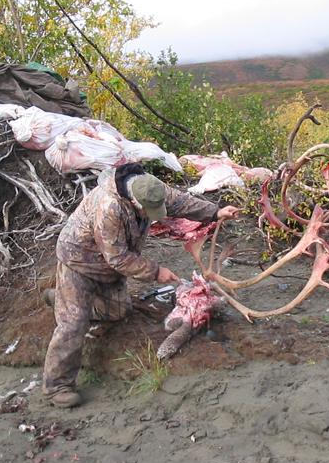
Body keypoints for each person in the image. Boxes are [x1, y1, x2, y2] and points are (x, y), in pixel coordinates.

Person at [42, 163, 239, 407]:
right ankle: (57, 386)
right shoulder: (109, 207)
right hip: (79, 261)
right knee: (73, 324)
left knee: (118, 312)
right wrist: (156, 272)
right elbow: (118, 258)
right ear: (135, 202)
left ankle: (60, 298)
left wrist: (215, 212)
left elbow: (181, 202)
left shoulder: (149, 187)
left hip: (108, 267)